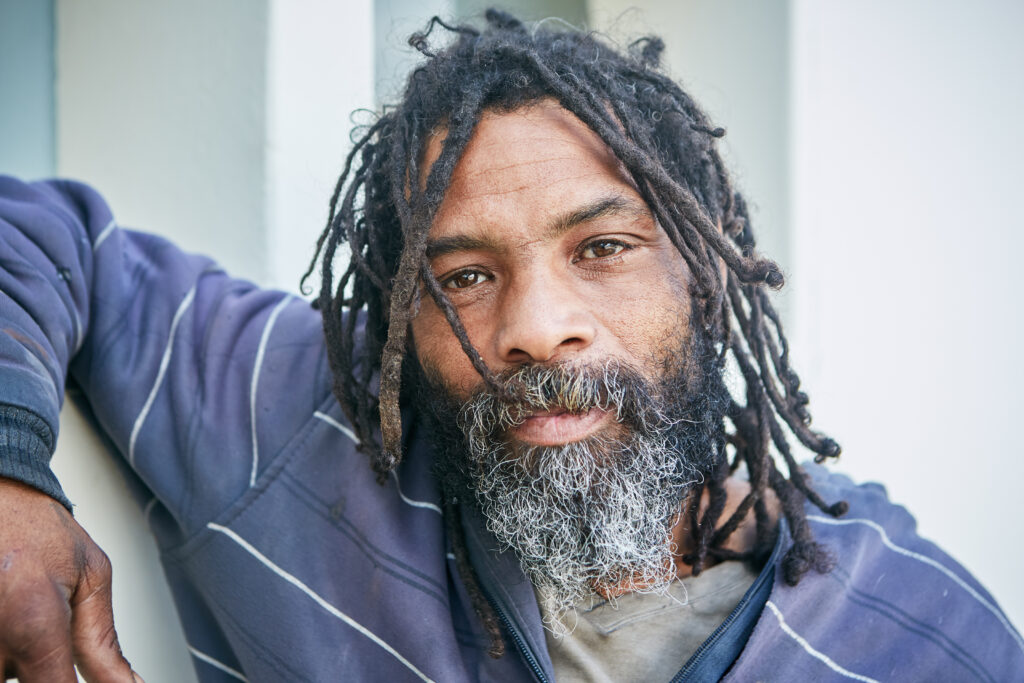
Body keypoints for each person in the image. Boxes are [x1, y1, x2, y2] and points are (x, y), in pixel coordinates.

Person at [0, 10, 1020, 682]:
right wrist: (8, 468)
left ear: (708, 279)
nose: (533, 325)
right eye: (465, 276)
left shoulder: (911, 632)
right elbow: (37, 236)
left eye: (603, 248)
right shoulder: (306, 433)